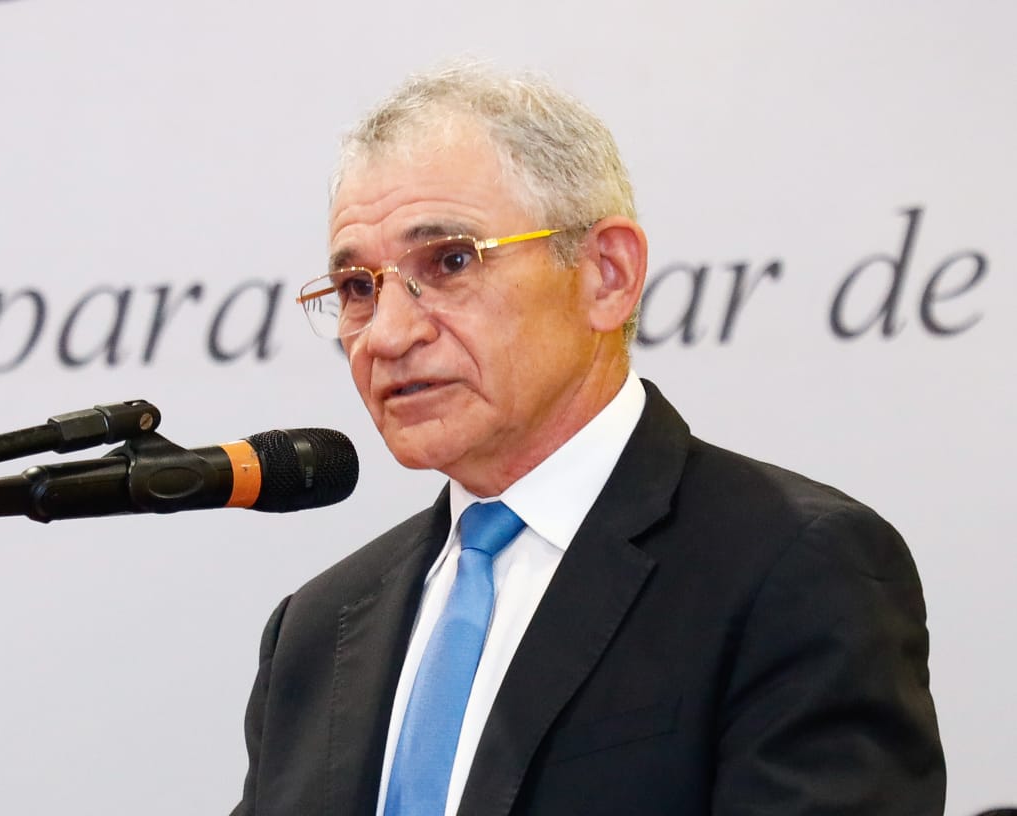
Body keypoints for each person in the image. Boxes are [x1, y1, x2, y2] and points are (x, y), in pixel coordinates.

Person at [231, 61, 945, 816]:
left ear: (607, 274)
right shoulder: (316, 631)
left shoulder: (794, 569)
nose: (388, 334)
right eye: (357, 288)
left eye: (449, 262)